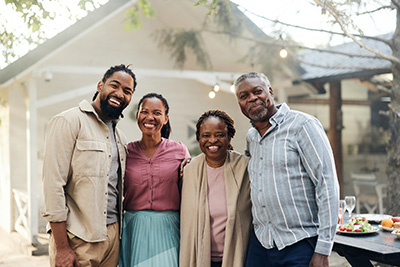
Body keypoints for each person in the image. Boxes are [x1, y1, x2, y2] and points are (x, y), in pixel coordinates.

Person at [234, 72, 340, 267]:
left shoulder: (303, 125)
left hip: (299, 242)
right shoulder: (251, 137)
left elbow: (327, 185)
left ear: (270, 92)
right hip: (261, 242)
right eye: (244, 96)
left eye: (257, 91)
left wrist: (323, 249)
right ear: (240, 103)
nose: (252, 98)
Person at [42, 64, 137, 267]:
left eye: (127, 91)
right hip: (77, 238)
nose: (120, 93)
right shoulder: (68, 121)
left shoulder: (120, 137)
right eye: (115, 85)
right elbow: (53, 187)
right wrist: (62, 248)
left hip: (113, 237)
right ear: (100, 85)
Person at [119, 93, 190, 267]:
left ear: (165, 119)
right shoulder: (125, 152)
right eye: (144, 111)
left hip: (169, 227)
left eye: (157, 113)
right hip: (134, 228)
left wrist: (191, 164)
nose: (150, 117)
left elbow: (192, 184)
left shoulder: (179, 150)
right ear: (137, 116)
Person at [180, 110, 252, 267]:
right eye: (206, 135)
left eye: (219, 135)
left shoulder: (245, 168)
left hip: (238, 257)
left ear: (229, 137)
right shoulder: (189, 171)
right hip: (198, 257)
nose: (212, 140)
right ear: (198, 138)